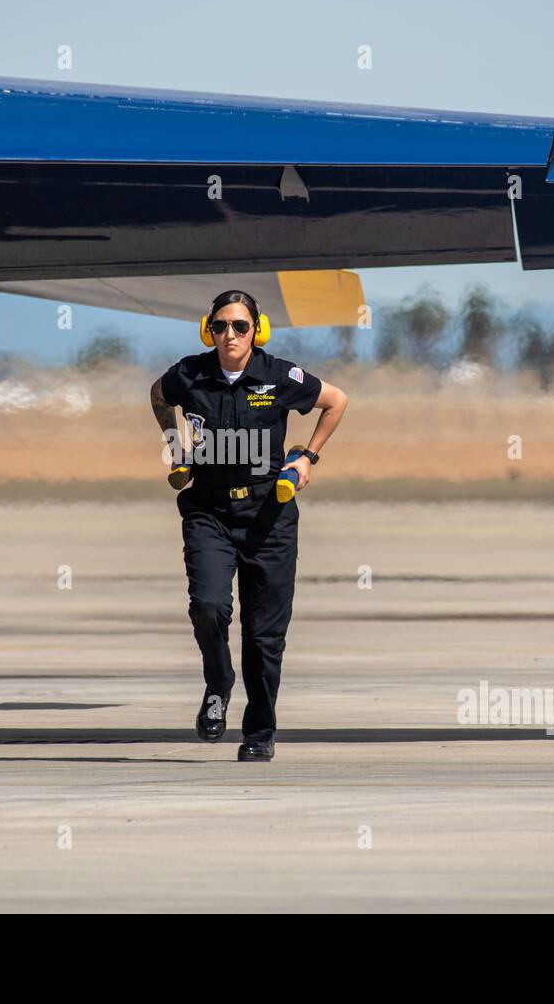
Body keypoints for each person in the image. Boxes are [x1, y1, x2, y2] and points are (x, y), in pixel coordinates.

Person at [149, 290, 348, 761]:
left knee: (264, 636)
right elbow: (158, 396)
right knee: (208, 607)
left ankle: (259, 732)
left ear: (257, 330)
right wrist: (174, 443)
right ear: (208, 330)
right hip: (208, 512)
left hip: (269, 518)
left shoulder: (279, 376)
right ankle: (218, 681)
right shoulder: (189, 374)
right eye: (220, 326)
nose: (230, 335)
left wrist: (308, 457)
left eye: (240, 326)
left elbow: (337, 401)